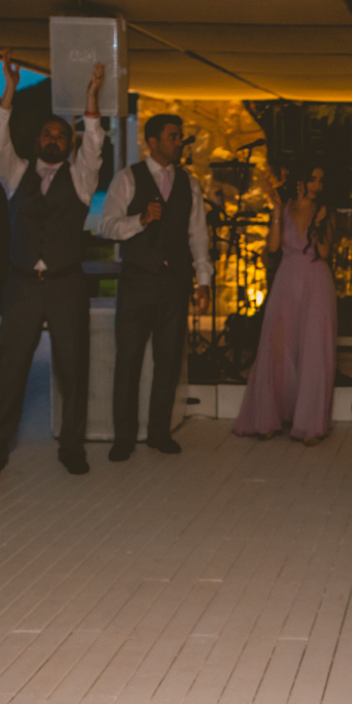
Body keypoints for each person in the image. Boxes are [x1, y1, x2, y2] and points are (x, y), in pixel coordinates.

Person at [0, 48, 105, 478]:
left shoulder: (82, 179)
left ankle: (72, 447)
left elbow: (94, 144)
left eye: (61, 136)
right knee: (10, 369)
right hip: (21, 285)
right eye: (47, 134)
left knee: (73, 368)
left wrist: (91, 98)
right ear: (37, 141)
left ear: (69, 144)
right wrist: (9, 90)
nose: (54, 139)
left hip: (67, 284)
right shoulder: (15, 173)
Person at [99, 114, 213, 460]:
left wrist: (203, 280)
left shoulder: (189, 183)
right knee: (128, 360)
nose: (179, 142)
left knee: (168, 360)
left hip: (175, 283)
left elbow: (198, 234)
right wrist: (141, 220)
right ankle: (124, 437)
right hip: (137, 281)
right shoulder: (127, 178)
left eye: (179, 136)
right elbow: (107, 226)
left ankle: (159, 432)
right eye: (172, 136)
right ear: (153, 141)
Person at [233, 162, 336, 445]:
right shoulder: (286, 207)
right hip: (287, 279)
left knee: (313, 349)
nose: (317, 186)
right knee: (277, 346)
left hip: (316, 281)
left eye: (321, 180)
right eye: (312, 179)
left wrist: (318, 225)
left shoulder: (324, 211)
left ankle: (309, 424)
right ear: (300, 180)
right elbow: (273, 247)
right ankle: (268, 417)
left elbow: (325, 252)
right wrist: (277, 212)